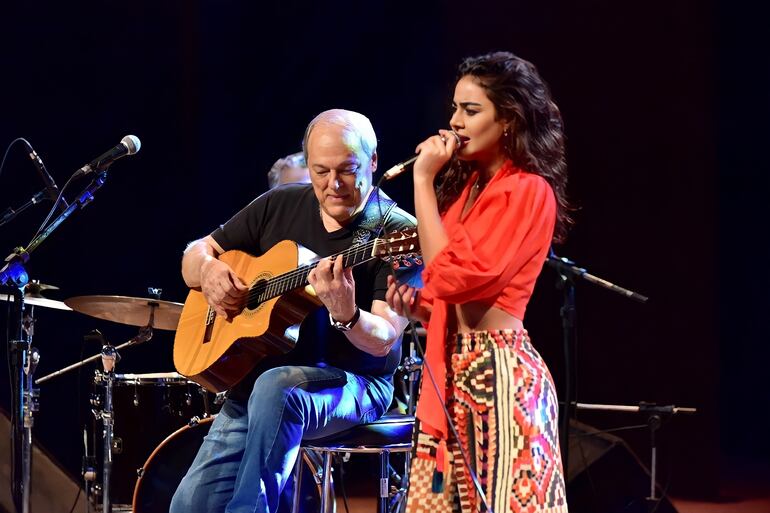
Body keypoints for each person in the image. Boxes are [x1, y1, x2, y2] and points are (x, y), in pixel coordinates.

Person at [170, 109, 418, 513]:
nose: (333, 184)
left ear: (373, 162)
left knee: (278, 386)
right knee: (188, 506)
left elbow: (383, 340)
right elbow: (195, 253)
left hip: (356, 382)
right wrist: (209, 268)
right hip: (256, 382)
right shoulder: (280, 203)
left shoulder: (397, 234)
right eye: (320, 171)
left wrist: (347, 314)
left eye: (348, 170)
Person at [386, 51, 570, 512]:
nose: (455, 122)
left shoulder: (527, 190)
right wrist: (421, 309)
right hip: (446, 376)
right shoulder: (467, 191)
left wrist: (422, 182)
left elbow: (449, 277)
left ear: (507, 119)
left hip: (498, 377)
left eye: (471, 111)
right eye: (454, 109)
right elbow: (451, 293)